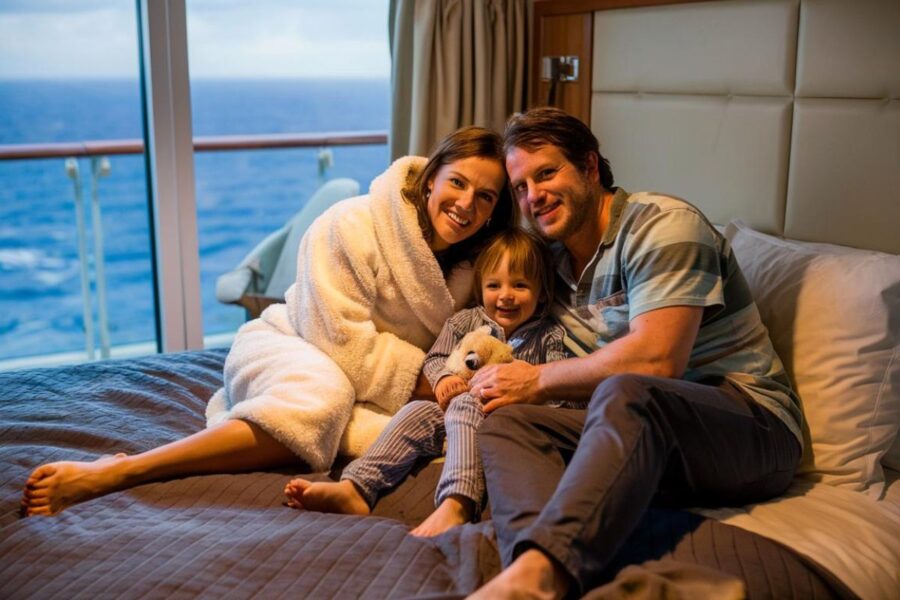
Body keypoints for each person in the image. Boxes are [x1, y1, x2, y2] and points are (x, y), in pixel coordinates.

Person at [20, 126, 517, 517]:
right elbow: (342, 341)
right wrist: (434, 379)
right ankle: (123, 470)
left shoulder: (476, 271)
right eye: (457, 181)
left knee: (433, 430)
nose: (466, 203)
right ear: (431, 177)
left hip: (377, 385)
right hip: (296, 341)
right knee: (321, 402)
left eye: (486, 196)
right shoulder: (353, 225)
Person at [466, 107, 803, 599]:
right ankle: (538, 570)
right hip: (634, 433)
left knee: (629, 391)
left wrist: (536, 380)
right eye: (520, 187)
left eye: (547, 173)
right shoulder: (549, 261)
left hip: (748, 424)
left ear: (589, 167)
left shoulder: (663, 226)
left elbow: (656, 362)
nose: (533, 195)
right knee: (508, 421)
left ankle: (540, 575)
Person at [283, 229, 585, 536]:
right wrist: (444, 379)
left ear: (542, 293)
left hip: (504, 421)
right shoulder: (465, 322)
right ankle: (357, 487)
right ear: (481, 289)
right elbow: (435, 358)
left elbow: (560, 392)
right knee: (417, 412)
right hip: (454, 416)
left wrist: (532, 393)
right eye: (494, 285)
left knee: (467, 402)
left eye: (520, 285)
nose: (506, 295)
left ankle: (457, 502)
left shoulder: (548, 336)